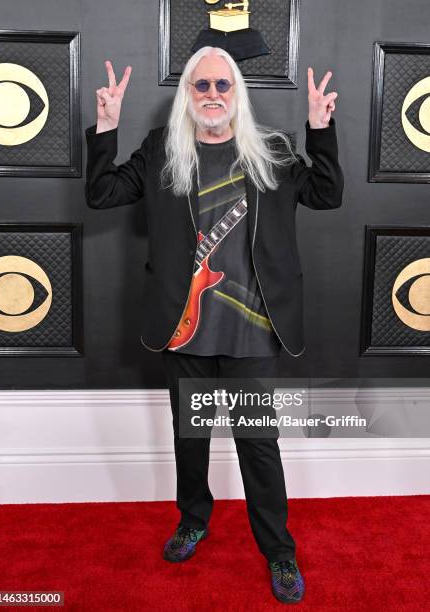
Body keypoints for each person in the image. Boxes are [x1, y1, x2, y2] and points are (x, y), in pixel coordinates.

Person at [85, 46, 344, 605]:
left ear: (237, 93)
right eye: (201, 86)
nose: (211, 95)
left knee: (257, 445)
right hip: (185, 327)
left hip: (252, 331)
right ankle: (193, 520)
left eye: (222, 86)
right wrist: (105, 126)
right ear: (188, 95)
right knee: (190, 439)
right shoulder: (161, 151)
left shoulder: (270, 151)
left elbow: (328, 194)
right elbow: (102, 193)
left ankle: (279, 552)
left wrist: (320, 130)